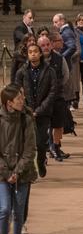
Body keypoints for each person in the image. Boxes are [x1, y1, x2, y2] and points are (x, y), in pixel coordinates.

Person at [0, 84, 37, 234]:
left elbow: (30, 150)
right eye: (19, 99)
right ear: (9, 102)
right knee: (4, 209)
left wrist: (17, 172)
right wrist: (7, 172)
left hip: (23, 173)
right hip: (2, 173)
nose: (23, 100)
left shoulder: (26, 119)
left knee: (19, 212)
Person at [13, 44, 55, 178]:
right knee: (26, 142)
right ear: (27, 55)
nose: (33, 54)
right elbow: (17, 91)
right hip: (26, 112)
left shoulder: (49, 71)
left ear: (40, 54)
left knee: (41, 142)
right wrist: (27, 109)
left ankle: (41, 160)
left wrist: (40, 110)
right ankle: (28, 168)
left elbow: (53, 92)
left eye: (35, 52)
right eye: (30, 52)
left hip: (43, 113)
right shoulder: (22, 71)